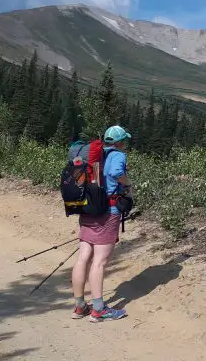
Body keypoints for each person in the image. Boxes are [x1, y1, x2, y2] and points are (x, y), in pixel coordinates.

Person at [71, 125, 134, 322]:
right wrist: (128, 184)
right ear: (119, 142)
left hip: (87, 208)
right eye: (124, 140)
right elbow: (116, 173)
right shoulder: (118, 155)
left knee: (83, 257)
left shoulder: (93, 155)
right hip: (108, 211)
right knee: (100, 261)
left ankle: (80, 306)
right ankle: (99, 309)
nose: (125, 144)